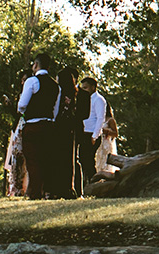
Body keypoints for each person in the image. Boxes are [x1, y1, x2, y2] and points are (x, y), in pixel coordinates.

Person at [17, 53, 61, 199]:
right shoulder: (56, 86)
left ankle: (34, 192)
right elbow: (56, 109)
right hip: (49, 125)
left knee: (33, 160)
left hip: (33, 125)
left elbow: (22, 105)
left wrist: (24, 111)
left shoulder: (32, 81)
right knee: (47, 159)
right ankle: (47, 191)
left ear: (36, 65)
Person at [53, 66, 82, 198]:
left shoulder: (59, 92)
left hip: (60, 125)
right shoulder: (74, 93)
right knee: (69, 158)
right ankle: (68, 187)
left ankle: (59, 188)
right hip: (70, 126)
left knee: (58, 157)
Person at [78, 78, 108, 193]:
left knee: (88, 161)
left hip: (92, 134)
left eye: (85, 88)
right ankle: (85, 186)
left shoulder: (99, 100)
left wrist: (95, 136)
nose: (84, 90)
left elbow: (100, 119)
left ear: (93, 87)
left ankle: (94, 185)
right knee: (82, 160)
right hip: (84, 132)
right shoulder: (84, 99)